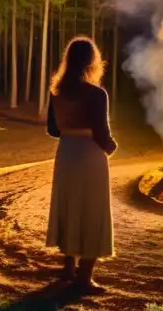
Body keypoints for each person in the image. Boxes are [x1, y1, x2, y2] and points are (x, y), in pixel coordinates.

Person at [47, 36, 118, 293]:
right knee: (92, 210)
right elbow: (102, 131)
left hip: (66, 152)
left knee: (70, 205)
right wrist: (111, 147)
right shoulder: (96, 94)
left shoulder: (56, 91)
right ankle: (84, 277)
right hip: (90, 153)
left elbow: (53, 129)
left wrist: (71, 132)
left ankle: (68, 266)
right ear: (92, 61)